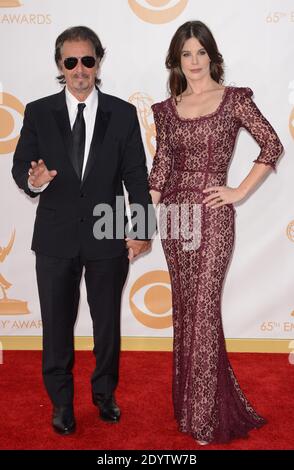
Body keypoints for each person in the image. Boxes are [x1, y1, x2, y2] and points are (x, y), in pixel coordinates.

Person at [12, 26, 154, 435]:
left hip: (107, 235)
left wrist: (141, 227)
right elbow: (23, 166)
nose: (79, 69)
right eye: (70, 61)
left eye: (87, 60)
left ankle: (104, 394)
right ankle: (61, 403)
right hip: (55, 239)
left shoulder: (122, 114)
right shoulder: (38, 112)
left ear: (98, 62)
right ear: (60, 65)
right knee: (57, 326)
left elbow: (135, 177)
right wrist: (34, 180)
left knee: (106, 324)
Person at [149, 20, 283, 445]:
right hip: (174, 219)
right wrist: (138, 222)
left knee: (204, 310)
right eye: (186, 54)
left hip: (212, 217)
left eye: (200, 52)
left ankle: (206, 417)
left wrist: (239, 190)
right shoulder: (166, 110)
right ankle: (191, 409)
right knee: (186, 310)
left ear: (212, 56)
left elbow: (272, 145)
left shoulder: (233, 101)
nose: (193, 61)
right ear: (176, 60)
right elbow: (161, 169)